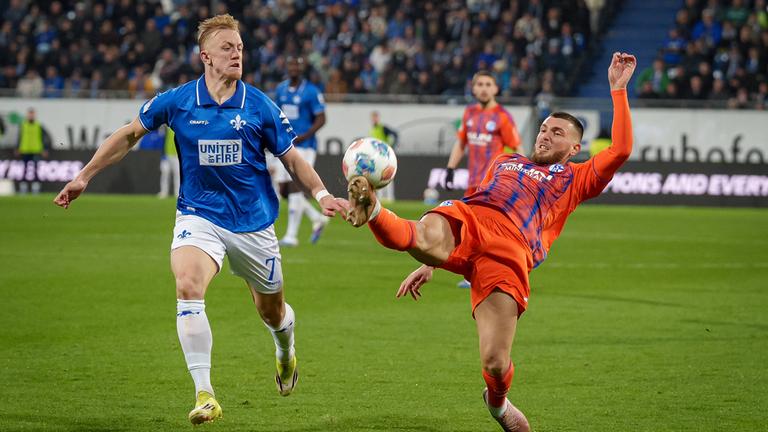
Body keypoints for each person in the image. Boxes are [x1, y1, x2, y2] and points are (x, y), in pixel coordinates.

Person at [53, 14, 348, 426]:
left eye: (240, 48)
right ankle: (205, 394)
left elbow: (293, 158)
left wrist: (321, 194)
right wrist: (84, 175)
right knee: (188, 285)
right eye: (228, 47)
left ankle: (285, 352)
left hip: (253, 223)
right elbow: (127, 135)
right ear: (205, 56)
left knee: (272, 313)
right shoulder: (177, 101)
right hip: (198, 214)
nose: (236, 54)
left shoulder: (259, 105)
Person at [345, 52, 637, 432]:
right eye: (545, 128)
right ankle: (373, 209)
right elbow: (471, 203)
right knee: (419, 234)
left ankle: (498, 405)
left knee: (495, 363)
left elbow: (622, 149)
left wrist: (617, 90)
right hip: (472, 216)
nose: (546, 135)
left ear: (574, 149)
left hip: (511, 250)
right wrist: (431, 261)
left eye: (557, 133)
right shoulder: (505, 160)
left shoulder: (577, 178)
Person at [444, 70, 521, 288]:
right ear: (473, 87)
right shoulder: (469, 114)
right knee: (470, 229)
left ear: (496, 89)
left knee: (490, 231)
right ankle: (475, 273)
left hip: (494, 185)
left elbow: (516, 148)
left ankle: (499, 271)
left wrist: (523, 175)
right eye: (480, 84)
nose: (484, 88)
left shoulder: (502, 116)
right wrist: (450, 167)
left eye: (488, 84)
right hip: (472, 184)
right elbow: (461, 144)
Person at [274, 56, 328, 247]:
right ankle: (316, 217)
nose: (293, 68)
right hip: (285, 145)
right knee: (283, 189)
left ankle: (291, 235)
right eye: (290, 64)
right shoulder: (280, 89)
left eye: (297, 64)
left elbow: (321, 118)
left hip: (305, 145)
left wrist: (305, 135)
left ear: (302, 67)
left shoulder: (311, 91)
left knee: (296, 185)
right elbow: (276, 114)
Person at [15, 108, 50, 194]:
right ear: (27, 115)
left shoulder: (39, 125)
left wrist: (45, 149)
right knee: (24, 169)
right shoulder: (23, 125)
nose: (31, 115)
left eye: (32, 114)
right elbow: (19, 137)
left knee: (36, 170)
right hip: (25, 150)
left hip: (36, 150)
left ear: (34, 115)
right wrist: (17, 148)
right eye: (29, 114)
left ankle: (35, 188)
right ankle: (23, 188)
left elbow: (44, 138)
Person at [369, 110, 399, 202]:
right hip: (376, 157)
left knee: (388, 175)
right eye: (373, 117)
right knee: (378, 176)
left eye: (376, 117)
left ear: (378, 118)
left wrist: (391, 146)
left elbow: (395, 134)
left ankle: (390, 197)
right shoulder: (372, 130)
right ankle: (381, 198)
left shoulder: (383, 128)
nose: (374, 119)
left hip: (385, 156)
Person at [158, 126, 180, 198]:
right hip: (167, 155)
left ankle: (177, 193)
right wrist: (163, 154)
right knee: (165, 173)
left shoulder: (179, 127)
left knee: (177, 174)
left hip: (177, 155)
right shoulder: (165, 128)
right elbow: (162, 141)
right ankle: (164, 192)